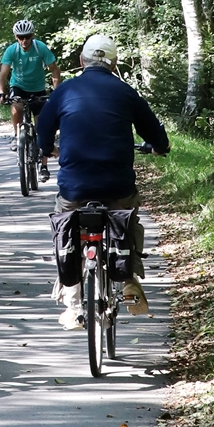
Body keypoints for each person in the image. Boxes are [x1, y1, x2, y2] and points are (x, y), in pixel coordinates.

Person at [36, 33, 169, 324]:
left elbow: (42, 130)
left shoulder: (65, 91)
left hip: (75, 187)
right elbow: (156, 134)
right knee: (128, 218)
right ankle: (130, 278)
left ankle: (72, 304)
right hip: (117, 186)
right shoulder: (126, 93)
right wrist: (159, 148)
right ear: (114, 63)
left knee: (65, 225)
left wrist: (47, 149)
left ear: (81, 61)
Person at [0, 18, 61, 180]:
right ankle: (17, 135)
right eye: (20, 37)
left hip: (38, 89)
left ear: (32, 36)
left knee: (42, 129)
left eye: (27, 36)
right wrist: (0, 92)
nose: (24, 40)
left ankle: (44, 166)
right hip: (18, 86)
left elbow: (54, 70)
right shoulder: (12, 50)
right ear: (16, 37)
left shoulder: (40, 48)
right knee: (16, 104)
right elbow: (3, 74)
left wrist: (56, 91)